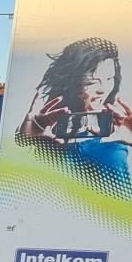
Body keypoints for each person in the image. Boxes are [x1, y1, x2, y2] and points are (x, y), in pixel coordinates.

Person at [18, 36, 132, 195]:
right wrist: (26, 139)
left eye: (109, 78)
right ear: (71, 82)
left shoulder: (120, 128)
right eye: (92, 81)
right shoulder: (50, 132)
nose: (103, 89)